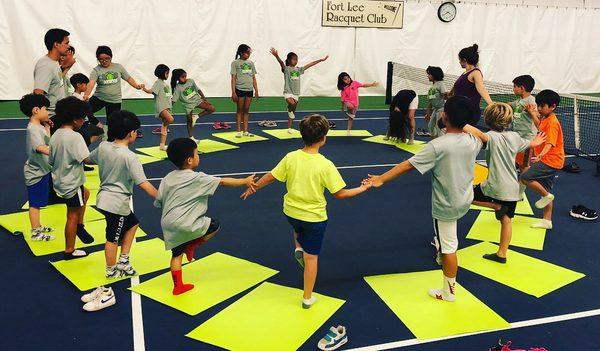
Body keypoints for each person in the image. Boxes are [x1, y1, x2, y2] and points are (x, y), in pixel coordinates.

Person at [242, 114, 372, 309]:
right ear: (323, 138)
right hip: (314, 218)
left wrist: (254, 187)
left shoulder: (291, 157)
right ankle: (307, 297)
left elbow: (271, 177)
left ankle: (298, 247)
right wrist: (363, 188)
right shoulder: (325, 165)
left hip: (290, 212)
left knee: (298, 227)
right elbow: (340, 194)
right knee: (311, 259)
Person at [367, 96, 482, 302]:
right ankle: (442, 250)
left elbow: (408, 165)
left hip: (447, 204)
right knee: (447, 238)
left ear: (445, 116)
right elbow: (481, 136)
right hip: (464, 198)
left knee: (449, 248)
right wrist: (466, 124)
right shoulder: (473, 141)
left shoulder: (438, 145)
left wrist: (381, 179)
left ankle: (448, 292)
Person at [154, 138, 257, 295]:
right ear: (190, 160)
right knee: (214, 225)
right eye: (197, 153)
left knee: (176, 255)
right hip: (186, 224)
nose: (198, 156)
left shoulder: (167, 178)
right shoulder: (197, 178)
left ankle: (177, 286)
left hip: (167, 223)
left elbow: (159, 200)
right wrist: (244, 180)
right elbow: (222, 182)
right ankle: (192, 245)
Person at [80, 111, 158, 312]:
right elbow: (144, 184)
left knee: (133, 223)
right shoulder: (131, 157)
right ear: (131, 133)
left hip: (104, 200)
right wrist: (163, 198)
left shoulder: (104, 147)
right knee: (112, 237)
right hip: (117, 204)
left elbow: (88, 160)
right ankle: (111, 273)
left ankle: (123, 261)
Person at [463, 103, 546, 263]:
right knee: (506, 220)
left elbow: (476, 132)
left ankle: (496, 206)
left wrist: (459, 120)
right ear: (509, 121)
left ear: (487, 120)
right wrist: (536, 140)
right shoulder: (515, 137)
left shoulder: (490, 137)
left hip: (494, 186)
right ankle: (502, 253)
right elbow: (531, 144)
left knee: (464, 196)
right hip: (512, 189)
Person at [49, 97, 95, 259]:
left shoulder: (55, 135)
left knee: (86, 193)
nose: (84, 121)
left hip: (60, 180)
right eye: (83, 118)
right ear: (76, 120)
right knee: (72, 215)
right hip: (72, 183)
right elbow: (87, 159)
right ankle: (69, 250)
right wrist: (102, 153)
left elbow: (51, 159)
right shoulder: (75, 137)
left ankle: (80, 226)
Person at [520, 90, 565, 230]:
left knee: (525, 177)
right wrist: (533, 114)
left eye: (542, 106)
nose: (539, 108)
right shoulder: (545, 118)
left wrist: (540, 155)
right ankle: (547, 220)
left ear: (552, 106)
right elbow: (539, 125)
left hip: (550, 160)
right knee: (545, 189)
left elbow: (549, 143)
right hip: (550, 160)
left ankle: (546, 195)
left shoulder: (552, 123)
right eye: (538, 105)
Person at [83, 46, 145, 138]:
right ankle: (99, 126)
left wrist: (137, 86)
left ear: (111, 57)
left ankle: (119, 136)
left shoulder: (118, 67)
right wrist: (86, 95)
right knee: (84, 110)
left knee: (113, 124)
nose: (104, 61)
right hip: (99, 98)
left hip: (114, 101)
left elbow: (128, 78)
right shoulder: (96, 70)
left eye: (106, 58)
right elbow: (91, 83)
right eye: (101, 59)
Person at [20, 94, 55, 241]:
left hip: (43, 170)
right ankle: (35, 232)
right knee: (35, 203)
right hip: (35, 173)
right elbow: (40, 147)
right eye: (45, 109)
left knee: (39, 202)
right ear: (36, 110)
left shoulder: (39, 127)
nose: (47, 112)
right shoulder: (33, 129)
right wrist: (58, 152)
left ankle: (38, 226)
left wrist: (47, 127)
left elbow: (47, 140)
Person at [270, 48, 328, 133]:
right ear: (289, 60)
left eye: (296, 59)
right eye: (293, 59)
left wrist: (320, 60)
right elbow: (281, 63)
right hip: (288, 92)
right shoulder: (286, 69)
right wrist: (276, 56)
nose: (295, 61)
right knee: (292, 104)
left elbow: (310, 64)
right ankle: (289, 108)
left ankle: (289, 128)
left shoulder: (298, 70)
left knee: (293, 112)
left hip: (296, 93)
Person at [447, 44, 493, 126]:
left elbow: (481, 88)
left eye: (460, 59)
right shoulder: (465, 73)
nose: (459, 62)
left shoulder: (476, 73)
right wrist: (450, 95)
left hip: (468, 112)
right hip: (460, 110)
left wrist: (491, 104)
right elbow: (457, 88)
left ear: (464, 60)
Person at [33, 28, 70, 119]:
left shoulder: (55, 62)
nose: (68, 46)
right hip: (52, 117)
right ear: (56, 44)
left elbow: (57, 82)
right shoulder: (45, 66)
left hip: (60, 113)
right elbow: (38, 94)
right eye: (66, 43)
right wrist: (44, 119)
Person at [170, 68, 216, 141]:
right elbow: (174, 100)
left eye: (185, 76)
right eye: (183, 77)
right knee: (189, 121)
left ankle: (196, 116)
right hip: (188, 105)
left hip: (197, 100)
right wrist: (168, 108)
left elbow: (198, 90)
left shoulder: (191, 81)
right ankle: (191, 137)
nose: (185, 78)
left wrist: (205, 99)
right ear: (177, 78)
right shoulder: (177, 88)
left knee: (212, 109)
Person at [510, 75, 539, 171]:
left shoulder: (531, 102)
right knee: (520, 162)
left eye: (515, 86)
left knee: (525, 166)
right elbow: (510, 105)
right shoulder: (519, 101)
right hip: (519, 137)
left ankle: (524, 183)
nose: (513, 88)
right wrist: (492, 104)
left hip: (527, 139)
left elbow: (538, 118)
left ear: (522, 88)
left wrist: (532, 112)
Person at [142, 64, 174, 150]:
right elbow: (151, 91)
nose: (168, 75)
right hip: (161, 107)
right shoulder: (158, 83)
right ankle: (163, 126)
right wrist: (144, 89)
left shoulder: (165, 85)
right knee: (171, 119)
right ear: (162, 73)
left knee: (165, 128)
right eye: (167, 73)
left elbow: (168, 96)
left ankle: (162, 145)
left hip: (166, 107)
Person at [231, 44, 259, 138]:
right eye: (247, 53)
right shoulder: (235, 63)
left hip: (249, 89)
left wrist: (256, 90)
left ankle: (245, 131)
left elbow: (254, 77)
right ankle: (239, 131)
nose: (248, 54)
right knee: (239, 109)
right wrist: (233, 92)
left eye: (249, 53)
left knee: (246, 110)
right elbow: (233, 78)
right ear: (241, 53)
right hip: (240, 89)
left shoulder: (250, 63)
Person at [70, 73, 104, 147]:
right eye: (85, 84)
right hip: (82, 125)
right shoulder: (79, 100)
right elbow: (88, 114)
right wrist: (97, 123)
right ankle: (85, 145)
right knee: (101, 131)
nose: (87, 86)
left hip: (80, 124)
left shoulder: (74, 97)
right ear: (79, 85)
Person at [424, 66, 447, 138]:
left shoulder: (441, 84)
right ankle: (437, 141)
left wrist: (446, 111)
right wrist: (428, 113)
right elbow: (431, 101)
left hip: (441, 109)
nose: (428, 76)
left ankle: (442, 143)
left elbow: (445, 96)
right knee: (430, 126)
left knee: (439, 128)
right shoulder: (432, 87)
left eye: (429, 74)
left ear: (434, 75)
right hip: (435, 110)